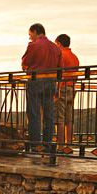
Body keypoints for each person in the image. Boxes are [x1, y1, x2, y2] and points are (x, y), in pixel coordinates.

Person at [21, 23, 61, 157]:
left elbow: (25, 63)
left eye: (30, 34)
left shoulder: (34, 45)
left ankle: (35, 144)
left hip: (35, 81)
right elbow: (59, 68)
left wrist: (26, 67)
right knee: (49, 114)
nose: (30, 37)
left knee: (34, 113)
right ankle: (47, 144)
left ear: (36, 32)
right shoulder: (55, 48)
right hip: (51, 83)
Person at [55, 34, 80, 148]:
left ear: (59, 43)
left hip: (63, 88)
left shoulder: (61, 55)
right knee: (69, 119)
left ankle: (60, 146)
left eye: (56, 44)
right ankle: (68, 145)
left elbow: (59, 75)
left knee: (59, 118)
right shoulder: (74, 57)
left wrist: (57, 91)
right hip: (72, 87)